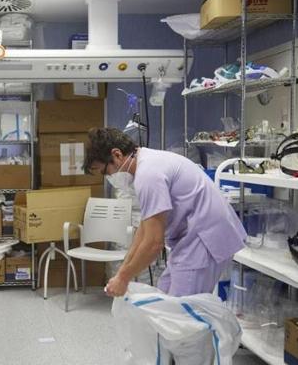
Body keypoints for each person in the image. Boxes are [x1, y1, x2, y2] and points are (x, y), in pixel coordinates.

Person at [83, 128, 246, 298]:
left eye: (105, 171)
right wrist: (123, 271)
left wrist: (123, 278)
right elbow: (144, 229)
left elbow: (154, 243)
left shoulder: (148, 175)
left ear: (117, 155)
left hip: (205, 237)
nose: (109, 177)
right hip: (192, 237)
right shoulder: (146, 162)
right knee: (164, 297)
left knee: (181, 312)